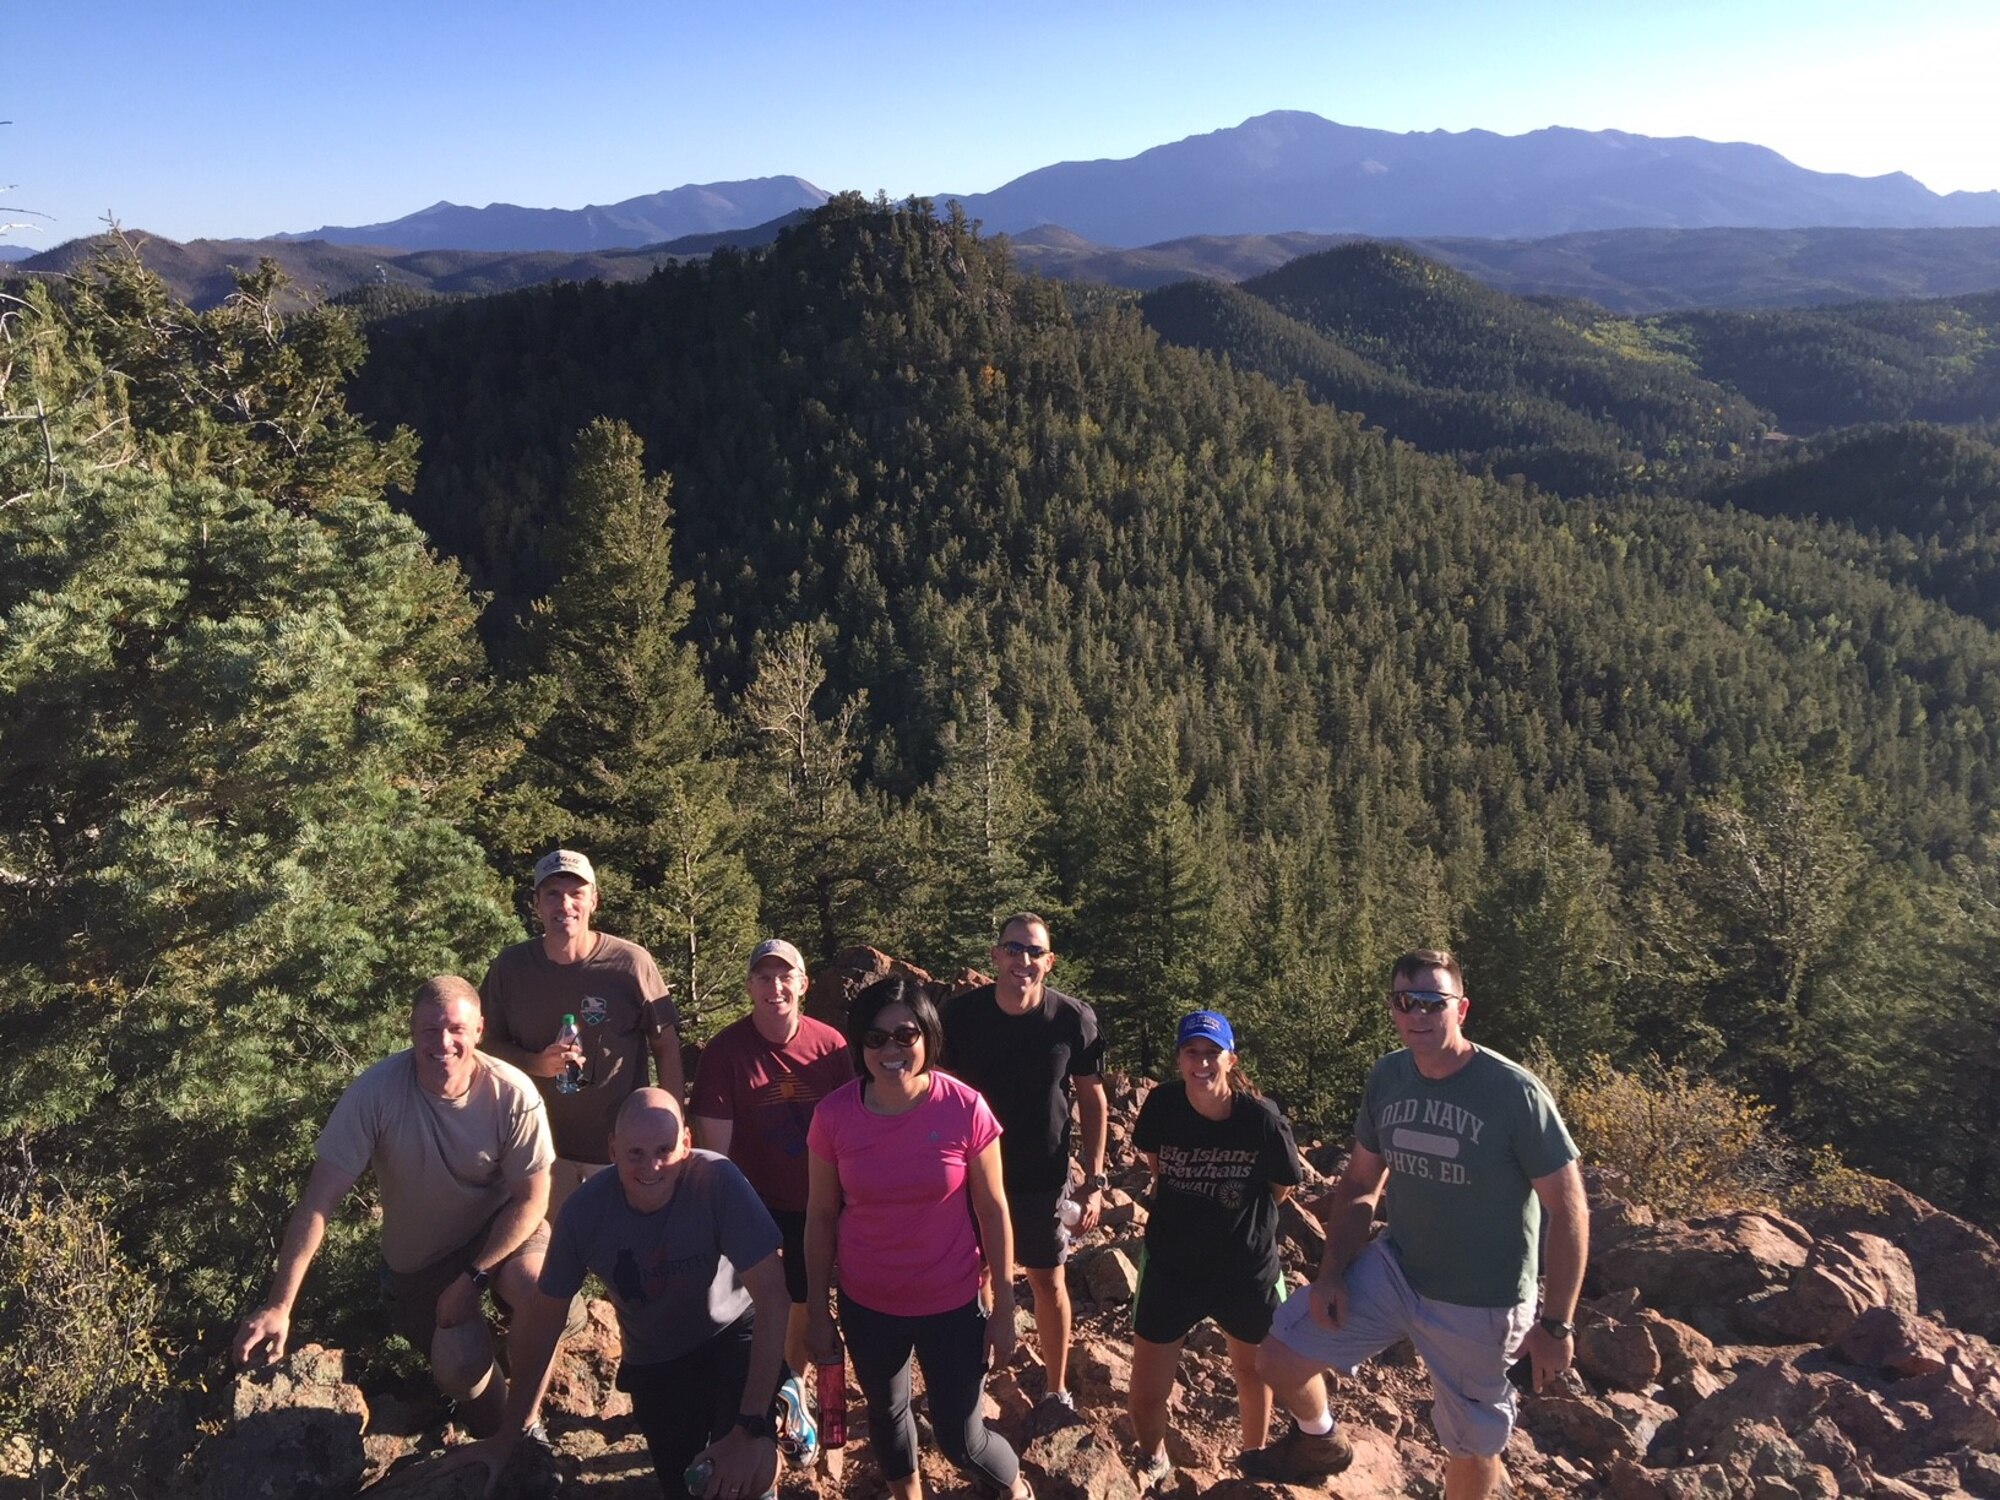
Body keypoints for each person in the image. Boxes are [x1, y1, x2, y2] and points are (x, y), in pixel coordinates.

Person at [1241, 949, 1589, 1500]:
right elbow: (1359, 1185)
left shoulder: (1514, 1093)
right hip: (1399, 1268)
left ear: (1462, 1009)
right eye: (1406, 1001)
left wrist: (1558, 1324)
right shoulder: (1390, 1076)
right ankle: (1319, 1441)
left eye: (1433, 1001)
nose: (1418, 1014)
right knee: (1279, 1356)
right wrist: (1330, 1275)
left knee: (1472, 1447)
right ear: (1393, 1008)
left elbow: (1568, 1210)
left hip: (1483, 1300)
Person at [232, 977, 554, 1439]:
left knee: (539, 1290)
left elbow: (532, 1200)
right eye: (429, 1030)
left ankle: (528, 1430)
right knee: (461, 1366)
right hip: (421, 1265)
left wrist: (473, 1277)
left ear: (479, 1030)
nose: (443, 1042)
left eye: (456, 1029)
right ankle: (498, 1438)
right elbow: (318, 1204)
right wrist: (280, 1305)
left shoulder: (513, 1093)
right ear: (410, 1030)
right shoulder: (376, 1093)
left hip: (499, 1232)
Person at [445, 1087, 794, 1500]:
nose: (652, 1166)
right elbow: (545, 1319)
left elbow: (773, 1295)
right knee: (687, 1485)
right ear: (613, 1149)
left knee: (740, 1473)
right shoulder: (585, 1213)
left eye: (665, 1149)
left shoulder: (717, 1182)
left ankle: (780, 1421)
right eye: (636, 1153)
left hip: (733, 1335)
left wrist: (751, 1422)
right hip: (656, 1358)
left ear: (687, 1143)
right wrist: (512, 1431)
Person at [805, 977, 1032, 1500]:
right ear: (859, 1044)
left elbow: (993, 1209)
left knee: (962, 1440)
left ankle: (1014, 1486)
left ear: (928, 1037)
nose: (890, 1049)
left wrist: (1003, 1305)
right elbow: (820, 1216)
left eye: (905, 1035)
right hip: (869, 1302)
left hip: (952, 1302)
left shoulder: (964, 1108)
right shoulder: (834, 1116)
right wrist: (818, 1310)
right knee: (886, 1416)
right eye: (875, 1037)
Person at [1127, 1010, 1303, 1488]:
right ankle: (1153, 1456)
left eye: (1212, 1053)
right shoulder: (1162, 1104)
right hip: (1171, 1265)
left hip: (1244, 1270)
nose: (1201, 1062)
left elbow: (1281, 1186)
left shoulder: (1261, 1119)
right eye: (1192, 1052)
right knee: (1145, 1393)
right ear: (1179, 1057)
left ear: (1230, 1058)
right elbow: (1158, 1165)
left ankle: (1253, 1460)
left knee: (1253, 1372)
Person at [940, 912, 1107, 1409]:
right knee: (978, 1274)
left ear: (1049, 962)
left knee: (1047, 1278)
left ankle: (1056, 1390)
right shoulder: (960, 1016)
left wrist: (1094, 1179)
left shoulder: (1072, 1018)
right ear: (995, 956)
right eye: (1014, 949)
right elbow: (941, 1093)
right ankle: (979, 1375)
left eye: (1035, 952)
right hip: (971, 1175)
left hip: (1042, 1174)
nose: (1024, 960)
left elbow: (1093, 1100)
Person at [479, 849, 685, 1220]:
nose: (565, 904)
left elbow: (666, 1046)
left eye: (576, 893)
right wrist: (534, 1064)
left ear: (594, 900)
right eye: (553, 893)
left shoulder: (630, 963)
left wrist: (672, 1128)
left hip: (623, 1152)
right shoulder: (511, 968)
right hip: (541, 1151)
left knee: (628, 1262)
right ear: (536, 904)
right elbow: (485, 1047)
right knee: (553, 1264)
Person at [690, 939, 850, 1395]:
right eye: (763, 977)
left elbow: (850, 1127)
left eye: (785, 977)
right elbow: (716, 1154)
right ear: (749, 986)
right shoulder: (726, 1052)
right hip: (752, 1197)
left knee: (805, 1292)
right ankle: (741, 1381)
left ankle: (790, 1385)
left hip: (816, 1196)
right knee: (754, 1298)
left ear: (803, 984)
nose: (774, 987)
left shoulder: (830, 1046)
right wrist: (734, 1220)